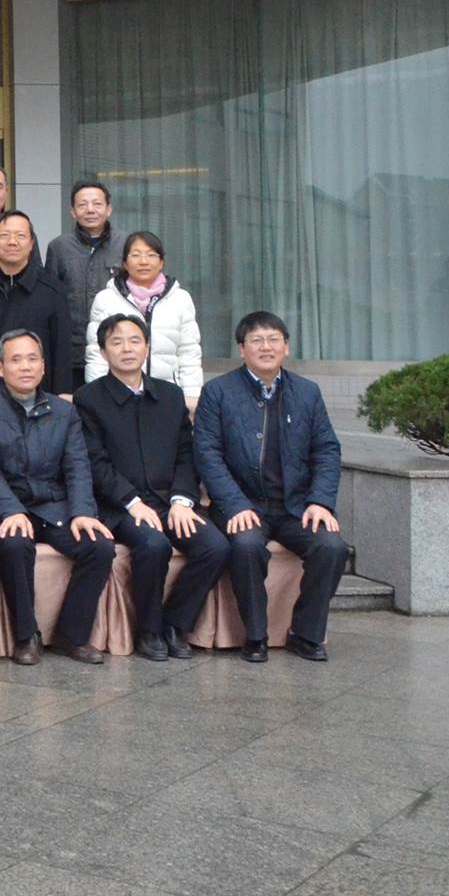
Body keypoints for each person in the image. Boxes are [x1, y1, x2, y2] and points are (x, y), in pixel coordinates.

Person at [193, 312, 350, 663]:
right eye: (256, 340)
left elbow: (327, 450)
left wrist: (320, 501)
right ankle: (255, 635)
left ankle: (306, 634)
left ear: (286, 346)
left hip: (296, 506)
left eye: (273, 339)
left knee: (332, 547)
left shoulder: (307, 392)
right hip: (243, 503)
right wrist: (235, 504)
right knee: (246, 545)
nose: (266, 347)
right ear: (242, 349)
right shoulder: (218, 392)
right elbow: (207, 454)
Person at [77, 313, 224, 663]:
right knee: (152, 544)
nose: (127, 349)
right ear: (103, 352)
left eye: (134, 341)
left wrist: (182, 500)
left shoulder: (171, 396)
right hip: (120, 505)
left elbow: (187, 453)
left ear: (147, 347)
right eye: (116, 342)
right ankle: (149, 629)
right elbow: (95, 462)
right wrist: (131, 502)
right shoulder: (89, 398)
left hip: (169, 501)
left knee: (215, 547)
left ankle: (175, 623)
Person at [0, 329, 116, 665]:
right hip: (6, 506)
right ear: (0, 368)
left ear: (43, 366)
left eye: (32, 359)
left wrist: (82, 512)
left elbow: (77, 466)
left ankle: (71, 635)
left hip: (54, 507)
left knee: (99, 546)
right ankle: (26, 636)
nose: (25, 367)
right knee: (14, 544)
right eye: (16, 360)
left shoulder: (64, 411)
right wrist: (10, 509)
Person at [84, 230, 205, 408]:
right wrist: (99, 397)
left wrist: (192, 396)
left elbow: (189, 352)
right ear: (125, 263)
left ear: (161, 262)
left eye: (151, 255)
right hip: (117, 396)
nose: (143, 261)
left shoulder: (180, 299)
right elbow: (96, 352)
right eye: (136, 255)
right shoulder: (106, 299)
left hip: (168, 395)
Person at [0, 212, 71, 398]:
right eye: (4, 235)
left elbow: (62, 349)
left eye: (20, 235)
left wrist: (63, 394)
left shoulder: (53, 291)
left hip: (38, 395)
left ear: (31, 243)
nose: (12, 242)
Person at [44, 180, 119, 390]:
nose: (90, 210)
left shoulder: (125, 244)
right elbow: (51, 299)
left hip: (115, 349)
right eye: (83, 204)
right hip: (72, 352)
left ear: (109, 209)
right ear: (73, 211)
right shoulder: (59, 247)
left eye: (97, 204)